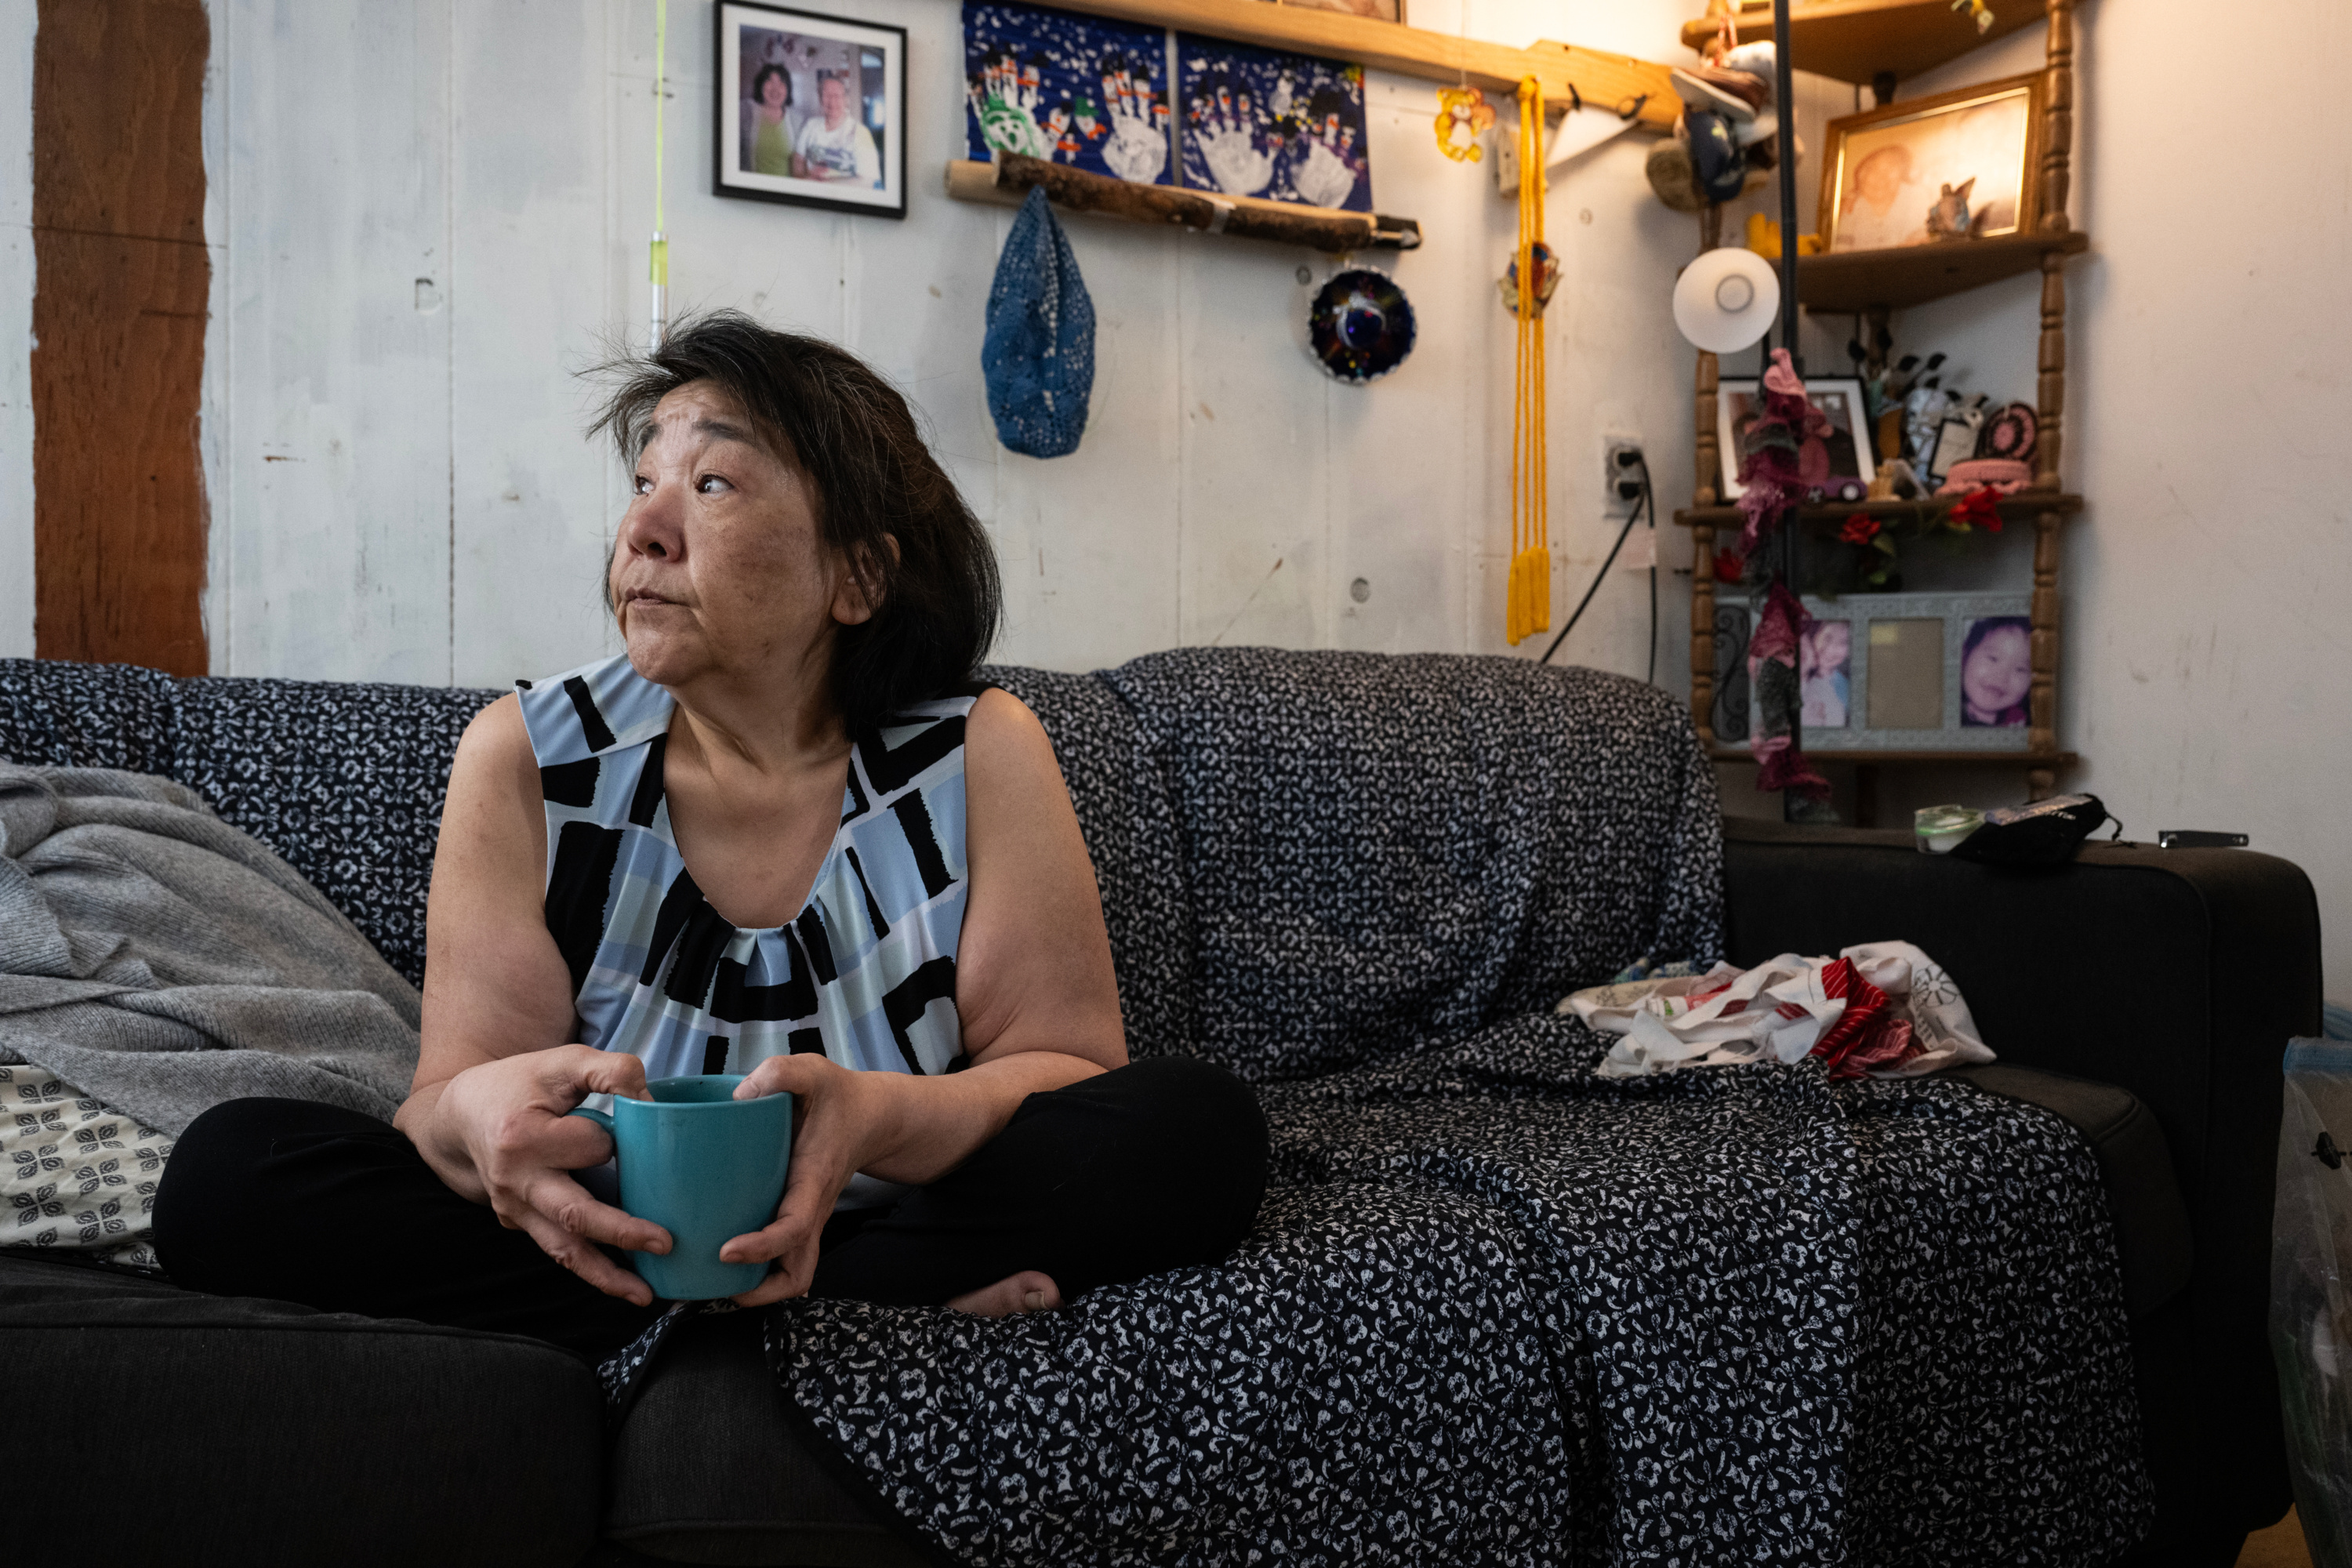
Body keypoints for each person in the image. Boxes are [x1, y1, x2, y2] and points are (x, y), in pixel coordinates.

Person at [152, 313, 1270, 1360]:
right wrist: (479, 1120)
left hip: (878, 1206)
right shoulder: (529, 759)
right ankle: (852, 1317)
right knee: (228, 1177)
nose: (642, 527)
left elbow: (1071, 1076)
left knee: (1197, 1132)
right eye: (644, 482)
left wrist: (875, 1113)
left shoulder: (976, 749)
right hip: (604, 1242)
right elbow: (445, 1100)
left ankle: (722, 1329)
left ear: (858, 575)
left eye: (713, 482)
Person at [792, 71, 880, 187]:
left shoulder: (861, 133)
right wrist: (802, 179)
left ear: (846, 99)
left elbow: (867, 182)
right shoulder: (810, 125)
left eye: (837, 95)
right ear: (820, 99)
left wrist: (824, 184)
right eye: (826, 95)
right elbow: (798, 158)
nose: (832, 101)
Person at [1960, 616, 2031, 727]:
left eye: (2020, 669)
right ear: (1965, 655)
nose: (2001, 677)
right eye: (1993, 659)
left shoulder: (2024, 726)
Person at [744, 64, 794, 178]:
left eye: (781, 83)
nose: (775, 88)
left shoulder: (797, 120)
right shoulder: (745, 112)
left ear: (788, 90)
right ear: (760, 86)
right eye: (770, 81)